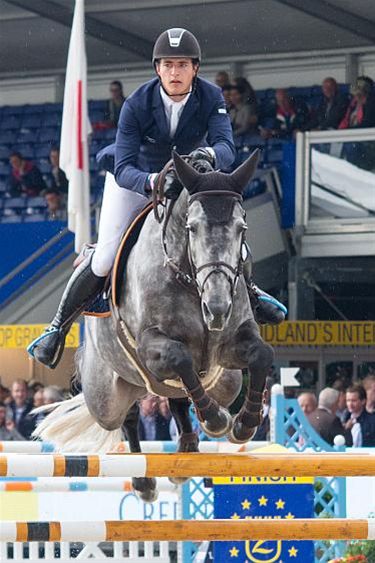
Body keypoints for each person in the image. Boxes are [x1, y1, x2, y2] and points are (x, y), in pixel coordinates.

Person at [28, 27, 287, 369]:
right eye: (168, 65)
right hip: (137, 179)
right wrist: (152, 182)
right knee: (106, 256)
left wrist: (208, 155)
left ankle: (251, 292)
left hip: (191, 177)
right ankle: (56, 328)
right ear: (157, 69)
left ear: (195, 68)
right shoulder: (137, 103)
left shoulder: (211, 97)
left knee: (223, 236)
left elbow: (227, 146)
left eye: (182, 65)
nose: (175, 72)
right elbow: (123, 166)